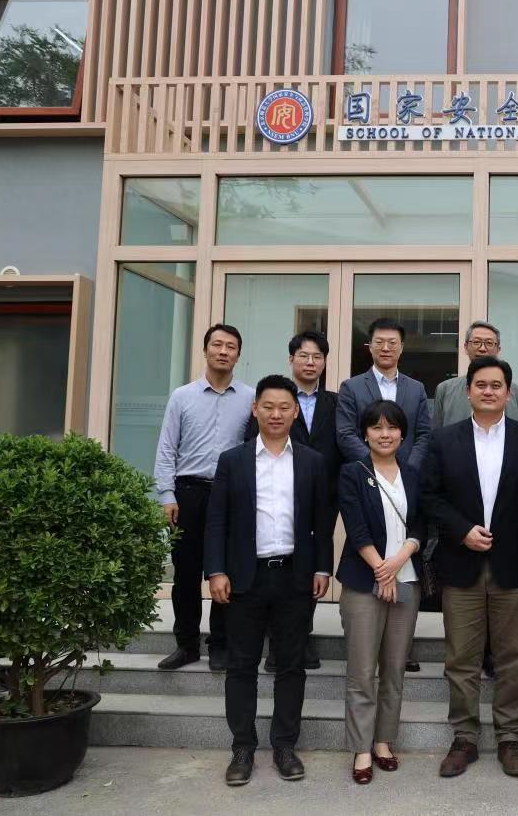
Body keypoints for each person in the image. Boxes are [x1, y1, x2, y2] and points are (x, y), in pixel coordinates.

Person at [204, 374, 333, 786]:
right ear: (255, 409)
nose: (276, 414)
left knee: (291, 666)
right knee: (241, 666)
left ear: (295, 413)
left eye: (284, 408)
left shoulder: (312, 461)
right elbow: (217, 520)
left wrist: (322, 568)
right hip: (245, 578)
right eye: (268, 407)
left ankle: (284, 746)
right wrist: (216, 570)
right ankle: (242, 748)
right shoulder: (233, 460)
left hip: (295, 577)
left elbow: (322, 522)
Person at [422, 357, 518, 779]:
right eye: (481, 385)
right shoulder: (444, 440)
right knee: (461, 657)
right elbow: (429, 497)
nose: (489, 391)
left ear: (508, 394)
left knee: (512, 656)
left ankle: (510, 737)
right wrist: (461, 531)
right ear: (468, 391)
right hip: (461, 564)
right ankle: (465, 737)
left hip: (512, 566)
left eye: (497, 385)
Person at [154, 324, 254, 672]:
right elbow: (167, 448)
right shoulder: (182, 396)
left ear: (238, 355)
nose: (223, 351)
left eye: (231, 346)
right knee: (186, 571)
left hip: (230, 494)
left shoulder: (250, 398)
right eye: (217, 345)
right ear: (205, 349)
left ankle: (220, 643)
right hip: (188, 492)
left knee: (226, 568)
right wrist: (167, 494)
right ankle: (186, 644)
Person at [336, 400, 427, 785]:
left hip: (406, 581)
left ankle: (383, 741)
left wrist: (398, 562)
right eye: (376, 427)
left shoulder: (414, 473)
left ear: (403, 434)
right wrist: (381, 569)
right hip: (363, 582)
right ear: (365, 433)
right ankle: (361, 748)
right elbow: (356, 528)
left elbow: (422, 524)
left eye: (392, 427)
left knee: (394, 668)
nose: (384, 434)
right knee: (362, 670)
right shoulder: (352, 473)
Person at [245, 331, 340, 672]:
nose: (310, 362)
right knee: (280, 564)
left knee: (310, 564)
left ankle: (300, 635)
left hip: (324, 496)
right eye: (303, 355)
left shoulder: (337, 402)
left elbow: (344, 445)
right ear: (291, 359)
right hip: (279, 492)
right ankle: (276, 645)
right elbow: (251, 442)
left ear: (325, 362)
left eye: (317, 356)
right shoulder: (275, 400)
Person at [337, 317, 431, 470]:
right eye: (379, 342)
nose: (386, 348)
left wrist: (409, 468)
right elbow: (345, 434)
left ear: (401, 347)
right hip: (366, 473)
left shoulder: (416, 388)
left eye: (392, 343)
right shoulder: (351, 387)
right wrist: (376, 466)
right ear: (370, 346)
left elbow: (424, 434)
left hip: (407, 473)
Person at [433, 321, 518, 427]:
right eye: (476, 342)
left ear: (498, 349)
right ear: (465, 347)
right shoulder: (445, 390)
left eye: (489, 343)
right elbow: (436, 434)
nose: (482, 349)